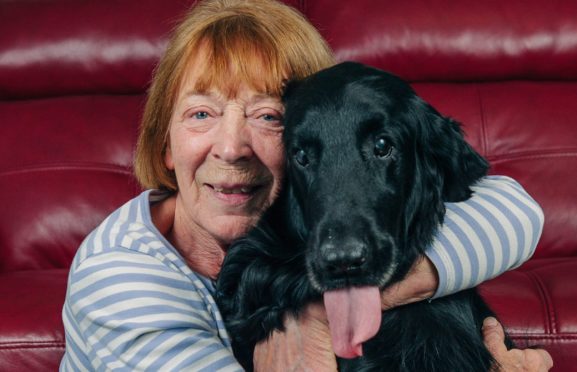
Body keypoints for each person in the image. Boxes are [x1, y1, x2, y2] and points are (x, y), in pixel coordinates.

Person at [59, 0, 552, 371]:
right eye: (201, 113)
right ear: (165, 145)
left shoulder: (292, 215)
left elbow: (514, 209)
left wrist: (340, 299)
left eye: (268, 116)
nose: (231, 147)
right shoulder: (121, 279)